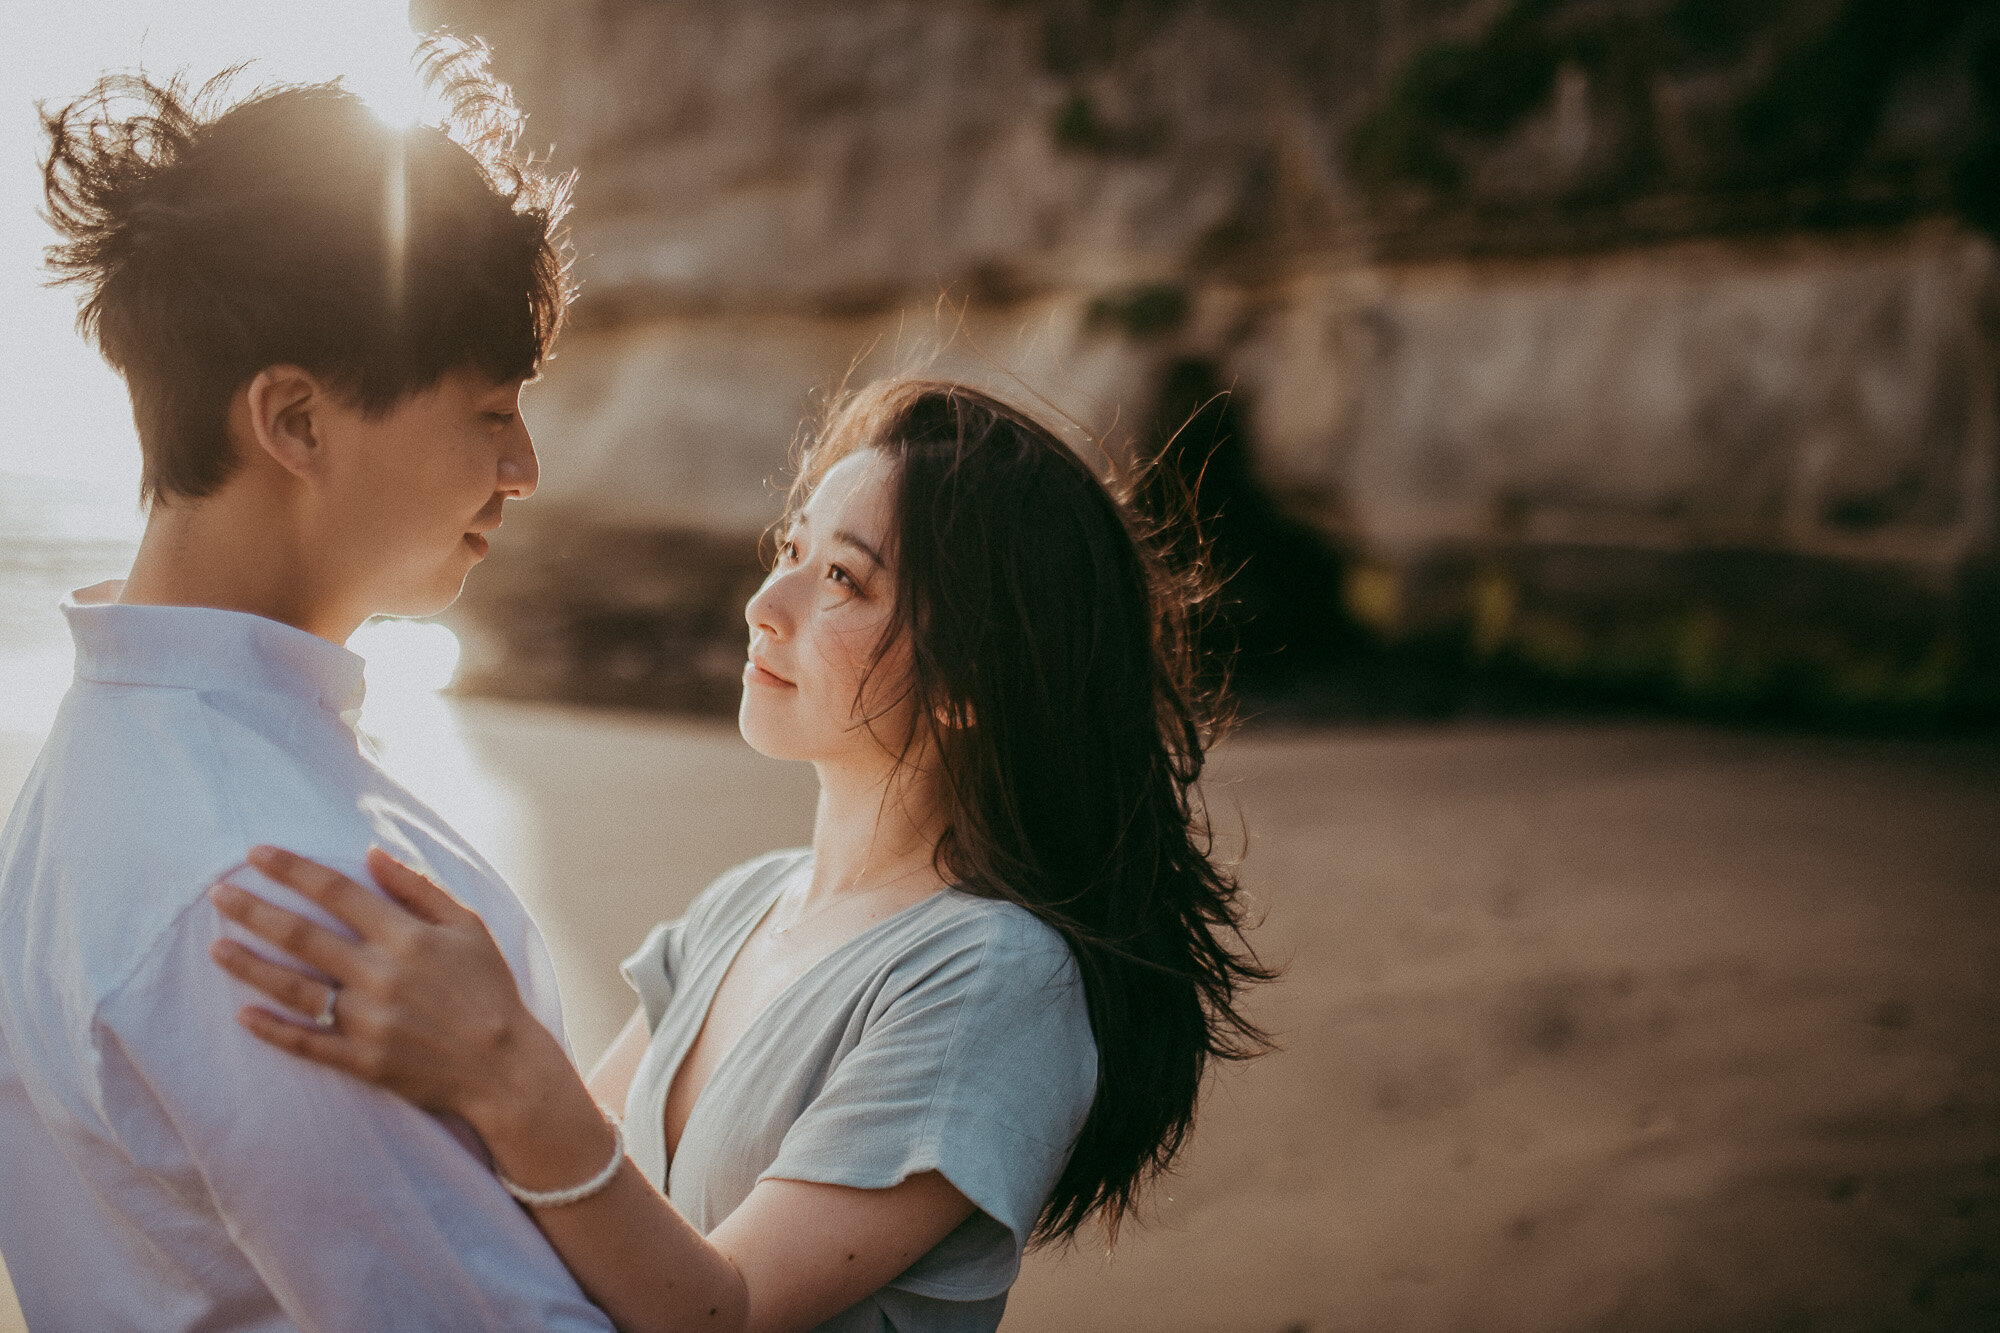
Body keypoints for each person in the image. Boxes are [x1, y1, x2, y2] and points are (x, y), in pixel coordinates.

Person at [206, 379, 1277, 1332]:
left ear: (966, 683)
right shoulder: (746, 903)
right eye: (789, 553)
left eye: (845, 581)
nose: (766, 606)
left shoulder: (991, 975)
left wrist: (500, 1062)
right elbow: (540, 1209)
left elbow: (729, 1307)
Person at [0, 42, 620, 1331]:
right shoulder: (267, 885)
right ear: (293, 422)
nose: (525, 467)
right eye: (489, 411)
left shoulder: (118, 755)